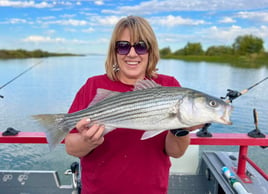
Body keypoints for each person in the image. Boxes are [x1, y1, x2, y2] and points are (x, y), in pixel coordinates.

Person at [65, 15, 201, 194]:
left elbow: (175, 152)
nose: (131, 53)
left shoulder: (169, 86)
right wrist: (87, 141)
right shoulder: (93, 85)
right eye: (123, 46)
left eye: (140, 46)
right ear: (114, 52)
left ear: (151, 51)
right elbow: (71, 146)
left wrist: (181, 128)